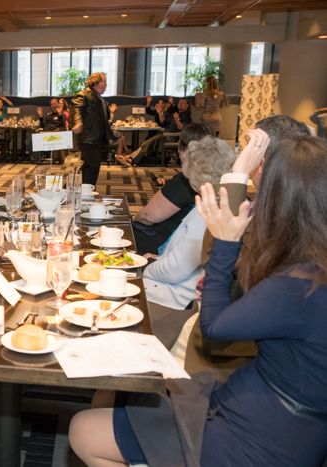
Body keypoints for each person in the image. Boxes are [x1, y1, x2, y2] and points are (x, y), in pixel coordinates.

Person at [70, 135, 327, 466]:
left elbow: (215, 326)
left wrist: (224, 244)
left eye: (263, 187)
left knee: (83, 431)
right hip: (269, 417)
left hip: (256, 437)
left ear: (283, 199)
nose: (255, 196)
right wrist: (236, 174)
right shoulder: (310, 263)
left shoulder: (300, 284)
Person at [142, 135, 236, 310]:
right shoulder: (231, 200)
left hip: (178, 299)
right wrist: (160, 260)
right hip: (188, 288)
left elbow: (175, 270)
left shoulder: (207, 212)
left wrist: (145, 267)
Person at [131, 124, 212, 254]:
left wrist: (134, 218)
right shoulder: (213, 177)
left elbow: (148, 216)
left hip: (164, 243)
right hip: (187, 243)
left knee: (123, 231)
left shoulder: (187, 179)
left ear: (181, 148)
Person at [71, 72, 115, 186]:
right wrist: (78, 122)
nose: (106, 84)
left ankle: (73, 188)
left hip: (97, 139)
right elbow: (77, 109)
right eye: (104, 81)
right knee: (93, 165)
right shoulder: (84, 95)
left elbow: (104, 121)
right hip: (88, 138)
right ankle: (86, 191)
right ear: (96, 82)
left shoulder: (101, 99)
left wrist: (113, 136)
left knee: (90, 166)